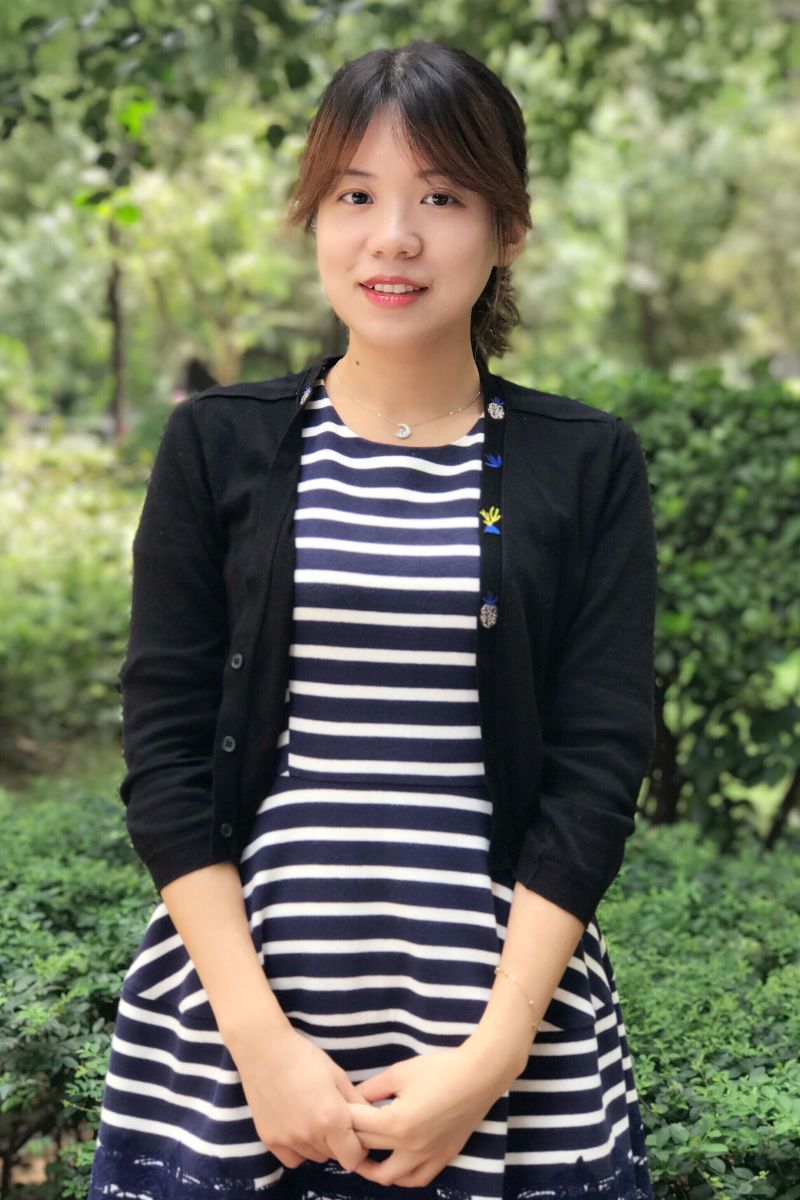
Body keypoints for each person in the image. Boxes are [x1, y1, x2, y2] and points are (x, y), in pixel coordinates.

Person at [88, 38, 658, 1200]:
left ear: (505, 227)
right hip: (238, 1041)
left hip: (504, 1046)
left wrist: (491, 1060)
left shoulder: (585, 462)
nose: (391, 237)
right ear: (313, 215)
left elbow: (597, 768)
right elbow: (164, 756)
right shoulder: (217, 444)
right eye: (354, 196)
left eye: (439, 198)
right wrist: (260, 1044)